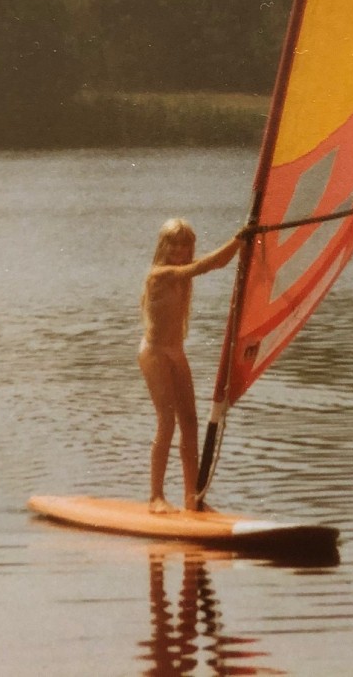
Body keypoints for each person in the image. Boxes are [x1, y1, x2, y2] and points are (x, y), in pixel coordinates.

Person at [139, 218, 243, 513]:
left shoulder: (182, 272)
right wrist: (238, 240)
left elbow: (214, 263)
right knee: (167, 421)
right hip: (155, 353)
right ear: (163, 246)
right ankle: (155, 497)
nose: (181, 249)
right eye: (174, 243)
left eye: (186, 244)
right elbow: (206, 265)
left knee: (191, 423)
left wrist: (243, 243)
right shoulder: (160, 274)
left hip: (176, 353)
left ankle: (191, 496)